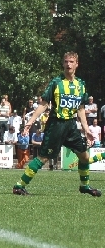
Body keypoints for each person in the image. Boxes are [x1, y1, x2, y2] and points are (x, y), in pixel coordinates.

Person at [13, 52, 100, 196]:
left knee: (84, 156)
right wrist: (30, 122)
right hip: (56, 125)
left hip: (71, 126)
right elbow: (44, 104)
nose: (68, 65)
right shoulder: (56, 82)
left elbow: (81, 108)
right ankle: (19, 185)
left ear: (77, 64)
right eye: (66, 62)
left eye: (71, 62)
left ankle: (84, 186)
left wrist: (86, 129)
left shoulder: (81, 85)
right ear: (63, 64)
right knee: (43, 157)